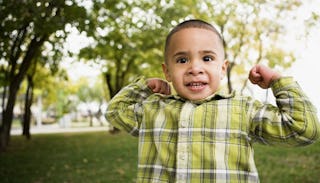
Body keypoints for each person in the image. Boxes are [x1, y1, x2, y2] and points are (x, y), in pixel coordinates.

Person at [106, 19, 320, 182]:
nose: (195, 68)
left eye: (207, 58)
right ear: (168, 72)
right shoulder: (153, 109)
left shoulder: (242, 109)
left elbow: (304, 129)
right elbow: (115, 112)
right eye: (182, 60)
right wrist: (143, 87)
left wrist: (277, 81)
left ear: (222, 69)